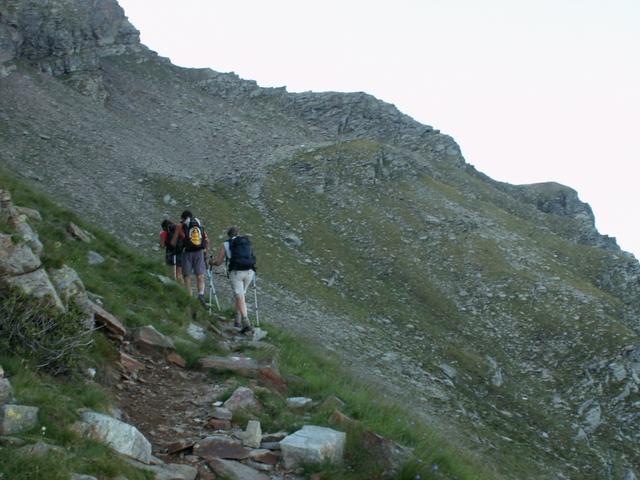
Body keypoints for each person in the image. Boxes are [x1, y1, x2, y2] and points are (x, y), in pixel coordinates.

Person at [210, 226, 256, 333]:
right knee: (241, 296)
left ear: (228, 235)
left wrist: (211, 262)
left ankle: (246, 321)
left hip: (236, 272)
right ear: (238, 233)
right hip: (250, 271)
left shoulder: (226, 244)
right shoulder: (246, 241)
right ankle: (237, 321)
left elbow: (218, 262)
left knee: (239, 296)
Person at [171, 210, 207, 306]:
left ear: (183, 218)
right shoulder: (198, 223)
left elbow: (173, 242)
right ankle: (201, 295)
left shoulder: (180, 226)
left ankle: (189, 298)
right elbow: (205, 239)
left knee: (187, 276)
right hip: (199, 252)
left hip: (187, 252)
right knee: (200, 275)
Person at [160, 219, 183, 284]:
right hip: (179, 252)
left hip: (170, 253)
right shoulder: (177, 229)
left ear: (164, 227)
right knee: (179, 274)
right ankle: (183, 290)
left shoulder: (164, 232)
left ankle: (172, 287)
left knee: (171, 274)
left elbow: (162, 246)